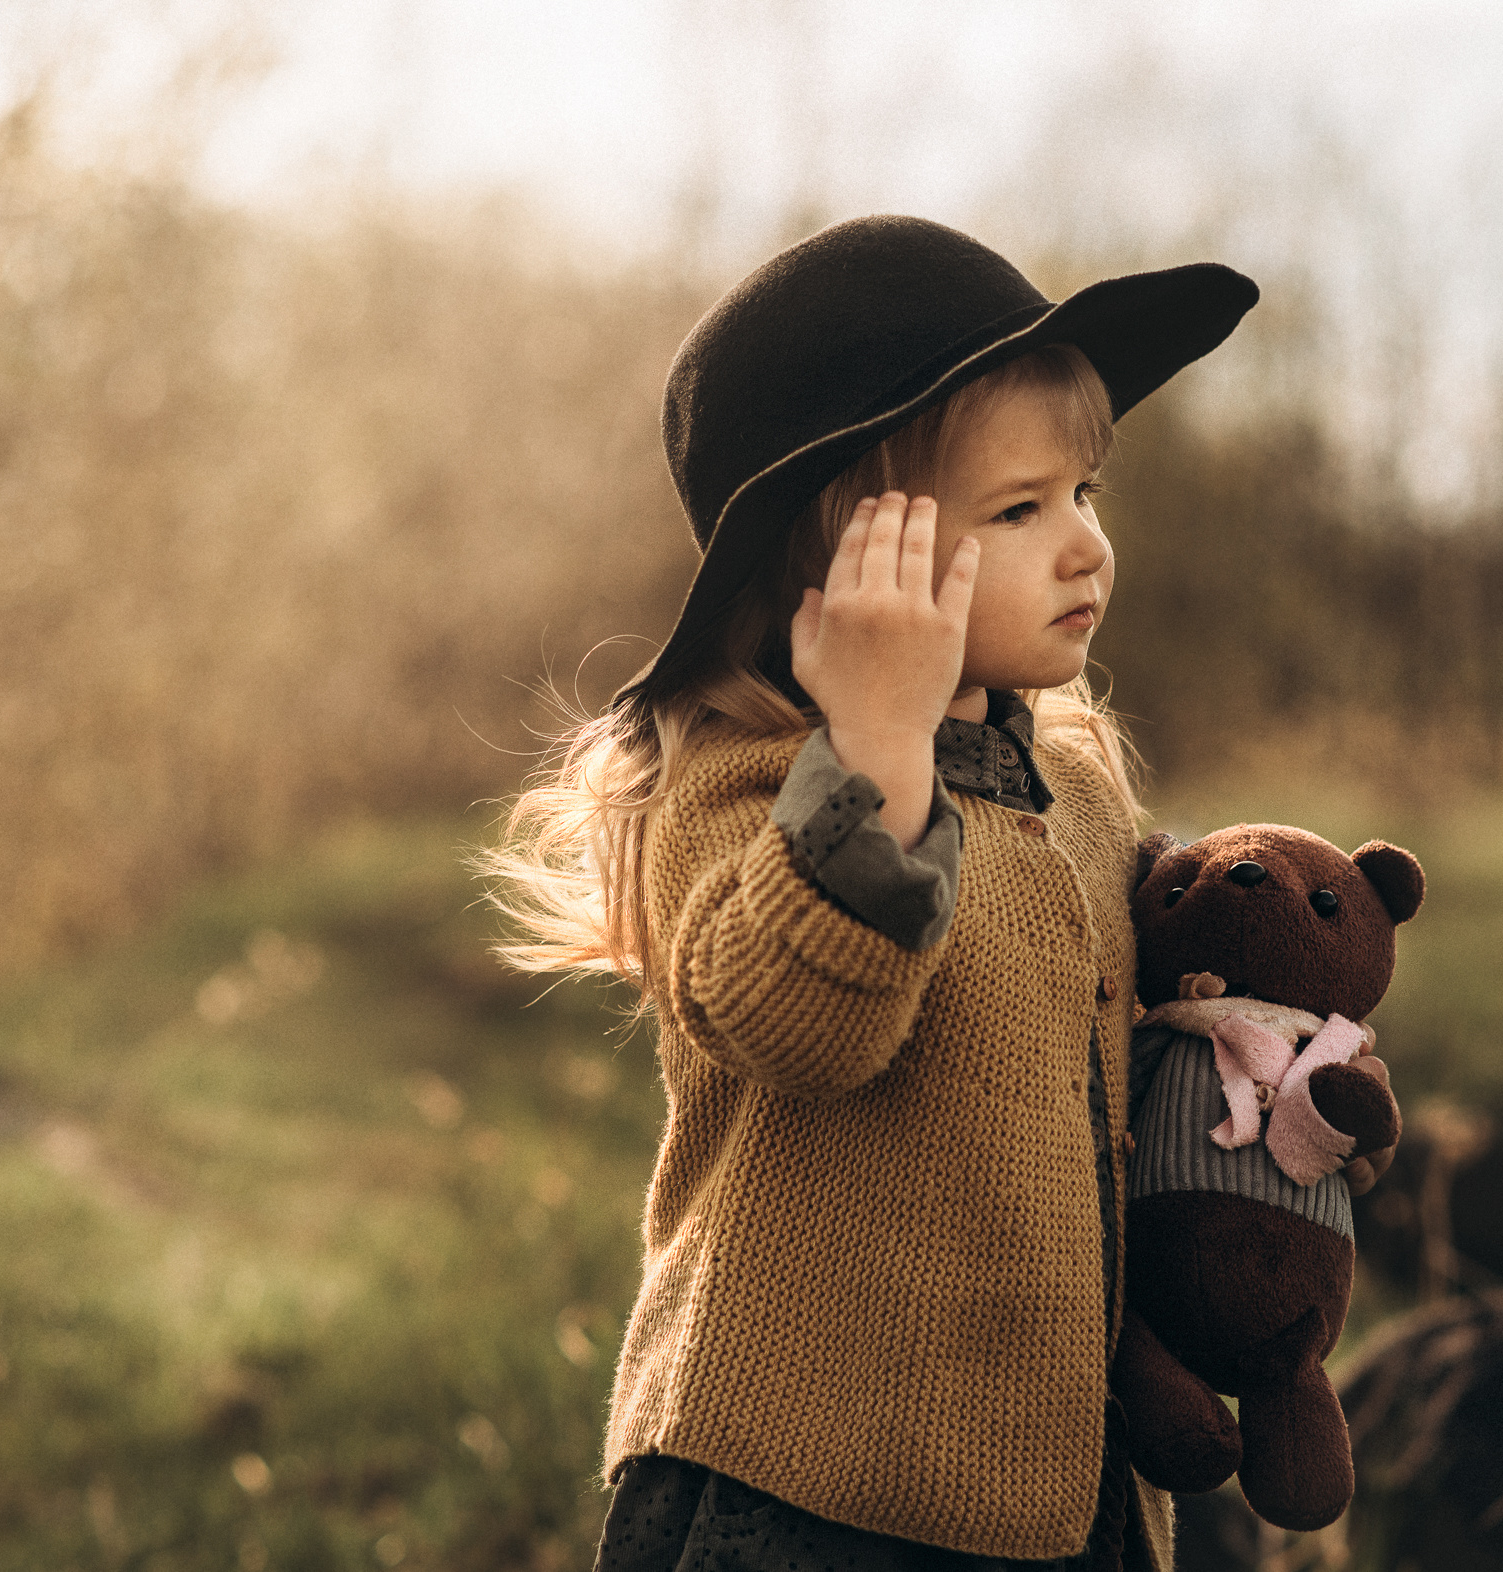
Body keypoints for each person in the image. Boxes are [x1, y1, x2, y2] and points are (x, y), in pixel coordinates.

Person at [487, 215, 1257, 1572]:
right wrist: (879, 747)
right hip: (806, 1492)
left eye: (1085, 492)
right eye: (1018, 510)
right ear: (845, 563)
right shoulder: (739, 785)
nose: (1085, 546)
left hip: (1056, 1477)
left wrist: (1266, 1080)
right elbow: (801, 1027)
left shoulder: (1073, 787)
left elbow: (1116, 1073)